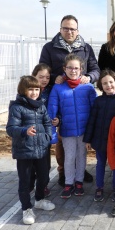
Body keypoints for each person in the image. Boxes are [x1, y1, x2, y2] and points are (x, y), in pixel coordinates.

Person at [39, 15, 100, 186]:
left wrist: (89, 76)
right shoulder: (50, 48)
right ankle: (63, 171)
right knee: (62, 138)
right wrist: (54, 77)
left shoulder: (86, 48)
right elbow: (43, 70)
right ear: (60, 29)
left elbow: (96, 69)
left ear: (77, 30)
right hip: (59, 97)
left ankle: (80, 171)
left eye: (72, 28)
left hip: (80, 96)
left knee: (80, 139)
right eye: (66, 28)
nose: (69, 31)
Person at [6, 76, 55, 225]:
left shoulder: (41, 105)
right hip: (24, 151)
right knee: (26, 181)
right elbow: (10, 128)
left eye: (36, 89)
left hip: (41, 149)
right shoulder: (16, 107)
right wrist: (24, 131)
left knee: (44, 177)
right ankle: (26, 208)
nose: (34, 92)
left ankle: (39, 200)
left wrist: (47, 137)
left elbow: (47, 122)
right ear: (23, 90)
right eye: (31, 89)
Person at [47, 54, 97, 199]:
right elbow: (52, 109)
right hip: (67, 131)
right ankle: (69, 182)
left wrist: (92, 131)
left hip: (83, 131)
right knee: (69, 157)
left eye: (76, 68)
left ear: (81, 70)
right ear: (64, 69)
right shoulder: (58, 88)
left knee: (81, 156)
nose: (73, 71)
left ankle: (79, 181)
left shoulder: (88, 87)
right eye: (70, 68)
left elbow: (94, 109)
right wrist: (53, 131)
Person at [84, 70, 115, 202]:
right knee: (100, 164)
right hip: (100, 140)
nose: (108, 85)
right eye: (105, 83)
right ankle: (99, 187)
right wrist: (88, 139)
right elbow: (92, 120)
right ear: (101, 85)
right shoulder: (98, 101)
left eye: (111, 82)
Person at [29, 63, 54, 197]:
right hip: (30, 133)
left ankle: (43, 185)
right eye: (41, 77)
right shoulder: (27, 91)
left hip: (44, 132)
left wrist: (57, 119)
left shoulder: (50, 91)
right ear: (34, 76)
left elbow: (55, 107)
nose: (44, 80)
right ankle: (29, 184)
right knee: (30, 163)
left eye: (47, 77)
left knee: (44, 162)